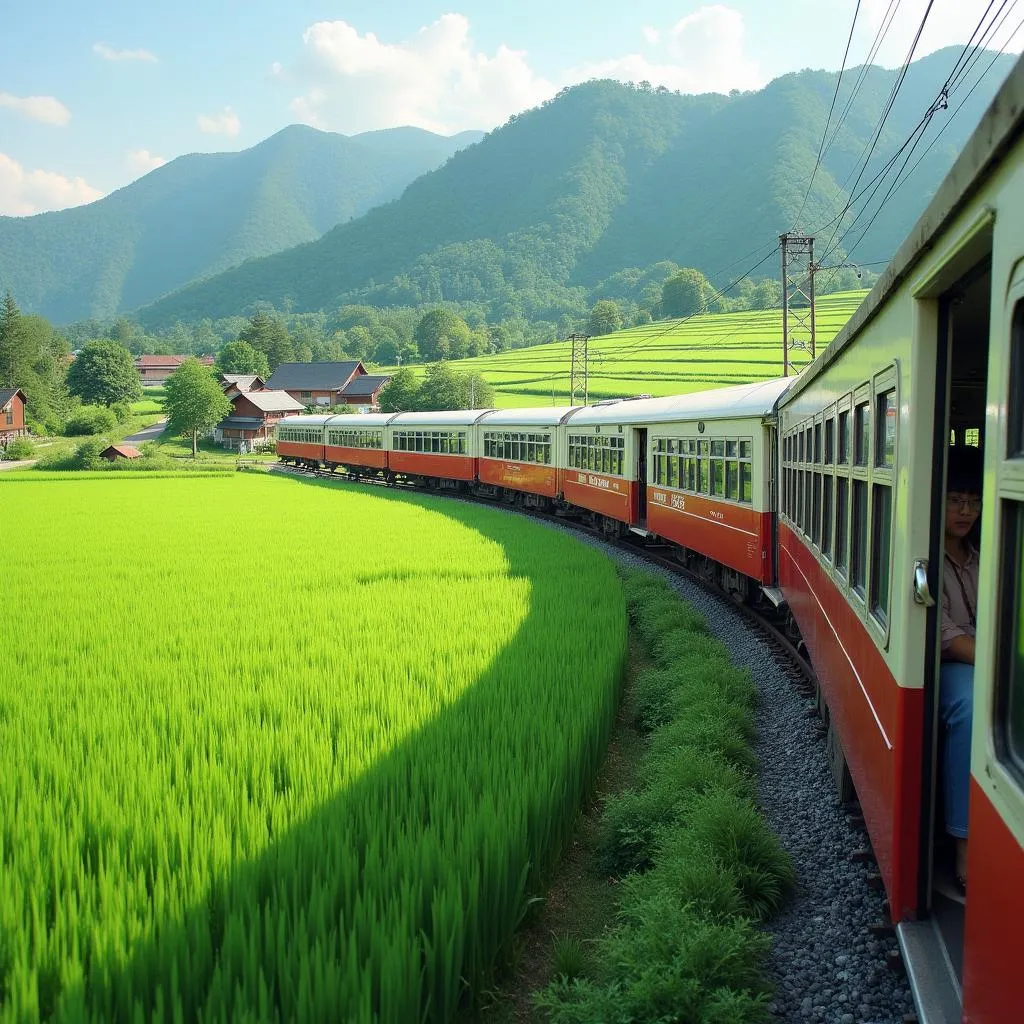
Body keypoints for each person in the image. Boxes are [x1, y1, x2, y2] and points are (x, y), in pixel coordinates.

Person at [939, 444, 982, 892]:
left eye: (972, 500)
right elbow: (946, 638)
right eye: (955, 499)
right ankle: (964, 843)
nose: (965, 510)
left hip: (980, 656)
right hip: (941, 668)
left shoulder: (981, 554)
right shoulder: (925, 558)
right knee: (970, 705)